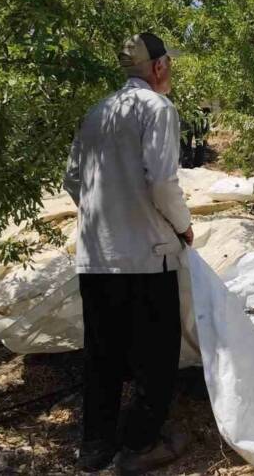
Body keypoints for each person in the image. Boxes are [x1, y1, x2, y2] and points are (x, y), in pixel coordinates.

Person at [63, 32, 192, 474]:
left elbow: (72, 180)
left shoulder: (97, 111)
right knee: (155, 355)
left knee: (102, 352)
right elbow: (161, 181)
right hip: (145, 255)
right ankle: (139, 444)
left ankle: (94, 446)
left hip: (97, 254)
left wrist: (109, 214)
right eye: (169, 65)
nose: (169, 72)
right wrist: (183, 225)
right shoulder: (158, 109)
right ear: (158, 67)